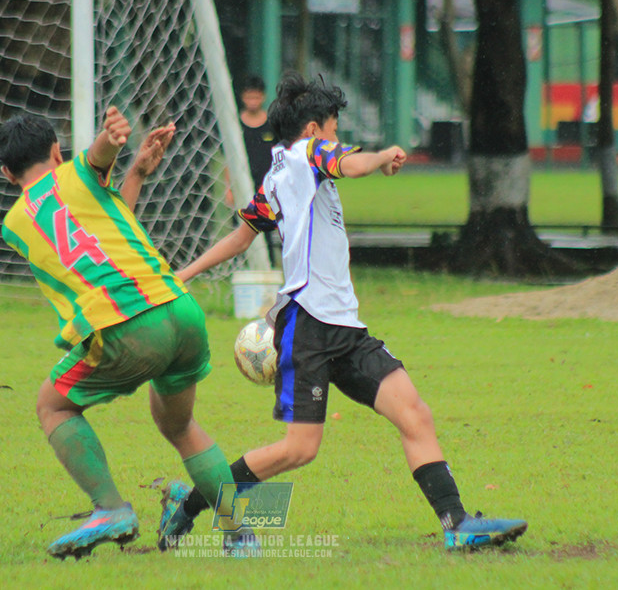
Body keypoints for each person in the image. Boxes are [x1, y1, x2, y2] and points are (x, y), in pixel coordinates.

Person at [160, 73, 528, 552]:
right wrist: (381, 157)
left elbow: (242, 235)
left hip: (345, 328)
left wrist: (183, 274)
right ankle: (189, 504)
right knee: (299, 450)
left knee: (415, 413)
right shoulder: (309, 154)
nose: (336, 138)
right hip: (308, 326)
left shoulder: (280, 174)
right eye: (333, 128)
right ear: (314, 128)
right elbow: (346, 166)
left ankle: (456, 524)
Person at [0, 109, 250, 559]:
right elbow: (101, 194)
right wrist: (117, 154)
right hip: (181, 309)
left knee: (52, 405)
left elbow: (93, 166)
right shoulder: (79, 174)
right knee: (180, 424)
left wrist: (110, 147)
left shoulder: (14, 224)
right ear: (56, 150)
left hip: (127, 323)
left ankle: (110, 508)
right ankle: (241, 536)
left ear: (6, 173)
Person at [238, 75, 277, 265]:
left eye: (256, 97)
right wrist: (230, 186)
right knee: (241, 228)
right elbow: (229, 159)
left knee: (266, 228)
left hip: (267, 186)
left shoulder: (272, 125)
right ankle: (241, 267)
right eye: (249, 97)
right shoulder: (236, 125)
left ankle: (267, 267)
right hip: (243, 184)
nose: (252, 101)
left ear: (262, 97)